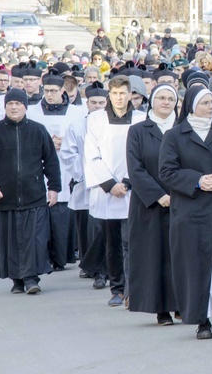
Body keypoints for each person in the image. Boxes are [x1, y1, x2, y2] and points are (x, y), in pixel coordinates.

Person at [159, 87, 212, 339]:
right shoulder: (175, 136)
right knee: (196, 267)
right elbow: (166, 171)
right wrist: (197, 181)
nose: (211, 106)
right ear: (192, 106)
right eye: (206, 102)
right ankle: (202, 320)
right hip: (190, 211)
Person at [0, 89, 60, 294]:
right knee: (10, 242)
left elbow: (51, 161)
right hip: (3, 196)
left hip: (33, 195)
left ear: (25, 106)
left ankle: (31, 278)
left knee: (34, 239)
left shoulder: (38, 130)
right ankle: (17, 280)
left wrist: (54, 188)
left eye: (18, 103)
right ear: (5, 107)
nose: (14, 107)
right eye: (10, 104)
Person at [83, 75, 147, 307]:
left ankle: (132, 289)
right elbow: (91, 155)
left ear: (131, 95)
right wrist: (110, 184)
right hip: (108, 190)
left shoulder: (141, 118)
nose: (119, 98)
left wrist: (129, 181)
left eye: (124, 93)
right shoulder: (95, 119)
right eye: (115, 93)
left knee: (132, 242)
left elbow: (144, 154)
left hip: (133, 188)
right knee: (112, 245)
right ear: (109, 94)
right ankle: (117, 289)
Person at [127, 84, 178, 325]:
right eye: (161, 98)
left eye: (170, 98)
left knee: (179, 255)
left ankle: (181, 303)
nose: (166, 102)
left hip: (181, 201)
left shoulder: (183, 129)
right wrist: (159, 195)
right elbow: (135, 169)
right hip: (149, 204)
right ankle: (161, 309)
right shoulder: (138, 131)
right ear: (152, 101)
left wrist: (180, 192)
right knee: (154, 256)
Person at [27, 70, 86, 271]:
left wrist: (66, 143)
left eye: (54, 90)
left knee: (63, 215)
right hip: (40, 165)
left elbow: (83, 138)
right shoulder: (33, 111)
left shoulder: (78, 112)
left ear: (63, 90)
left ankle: (62, 256)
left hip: (67, 164)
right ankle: (43, 257)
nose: (49, 94)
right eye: (47, 90)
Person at [61, 82, 109, 284]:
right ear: (87, 103)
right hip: (85, 183)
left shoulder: (112, 125)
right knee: (85, 226)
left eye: (101, 102)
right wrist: (82, 175)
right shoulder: (78, 125)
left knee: (102, 226)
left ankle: (101, 267)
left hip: (107, 184)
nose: (97, 106)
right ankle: (87, 264)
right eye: (93, 102)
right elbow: (68, 153)